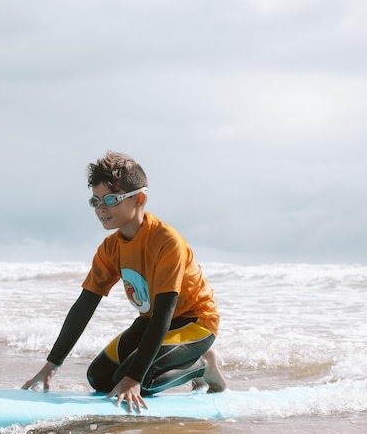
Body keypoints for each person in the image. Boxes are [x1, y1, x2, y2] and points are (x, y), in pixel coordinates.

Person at [22, 151, 227, 412]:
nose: (101, 208)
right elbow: (84, 306)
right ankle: (165, 369)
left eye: (110, 199)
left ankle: (202, 366)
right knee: (99, 378)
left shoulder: (166, 241)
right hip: (150, 322)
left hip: (195, 322)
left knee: (143, 380)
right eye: (95, 201)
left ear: (139, 199)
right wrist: (52, 365)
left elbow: (164, 313)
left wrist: (134, 378)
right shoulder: (110, 248)